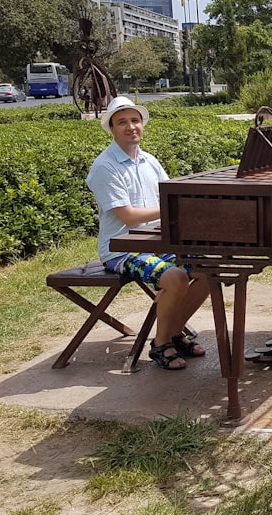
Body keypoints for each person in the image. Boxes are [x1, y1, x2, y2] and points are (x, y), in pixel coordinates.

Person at [86, 96, 211, 370]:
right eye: (122, 122)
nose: (131, 126)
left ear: (142, 124)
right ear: (111, 129)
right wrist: (173, 209)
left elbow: (168, 198)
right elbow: (128, 216)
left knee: (207, 269)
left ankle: (173, 333)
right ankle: (160, 344)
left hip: (156, 241)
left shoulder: (149, 161)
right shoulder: (105, 167)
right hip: (121, 249)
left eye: (135, 120)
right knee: (175, 277)